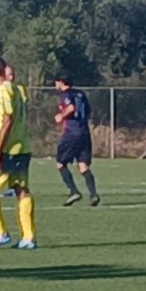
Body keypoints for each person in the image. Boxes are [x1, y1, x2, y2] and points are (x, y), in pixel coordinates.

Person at [0, 56, 36, 250]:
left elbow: (7, 119)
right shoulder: (18, 90)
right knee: (21, 189)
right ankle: (28, 238)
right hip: (22, 148)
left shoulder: (3, 91)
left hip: (7, 150)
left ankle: (0, 233)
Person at [52, 74, 99, 206]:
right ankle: (93, 194)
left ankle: (74, 191)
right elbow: (88, 111)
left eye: (56, 82)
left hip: (71, 133)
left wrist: (61, 116)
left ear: (61, 82)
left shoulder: (65, 94)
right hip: (84, 131)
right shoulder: (80, 94)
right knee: (83, 165)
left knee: (60, 164)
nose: (55, 85)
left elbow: (71, 107)